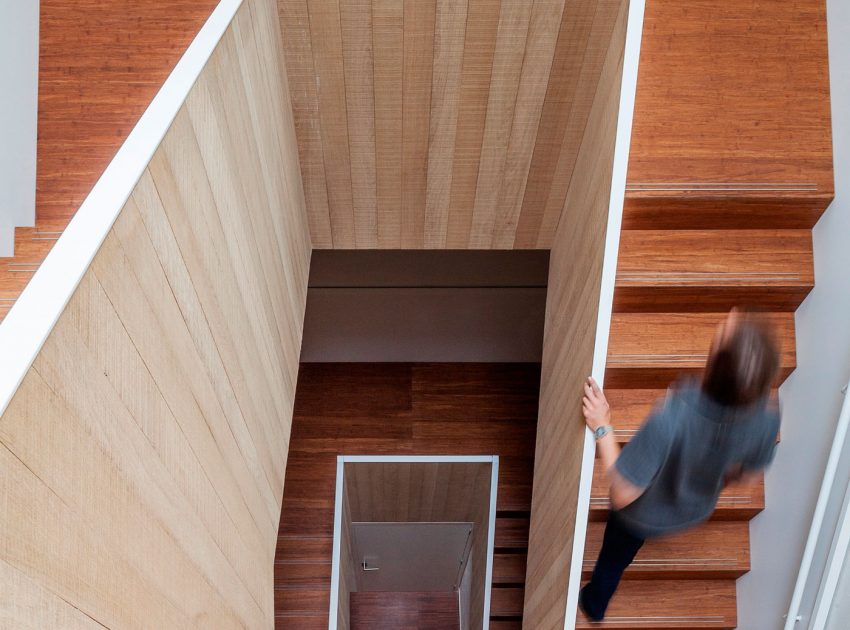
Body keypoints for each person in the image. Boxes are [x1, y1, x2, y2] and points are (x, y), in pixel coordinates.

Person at [579, 310, 781, 621]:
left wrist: (602, 424)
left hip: (638, 518)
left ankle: (595, 604)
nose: (732, 314)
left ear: (716, 363)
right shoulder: (767, 420)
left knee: (614, 559)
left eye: (727, 328)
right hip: (694, 509)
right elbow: (748, 475)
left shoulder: (672, 417)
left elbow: (622, 493)